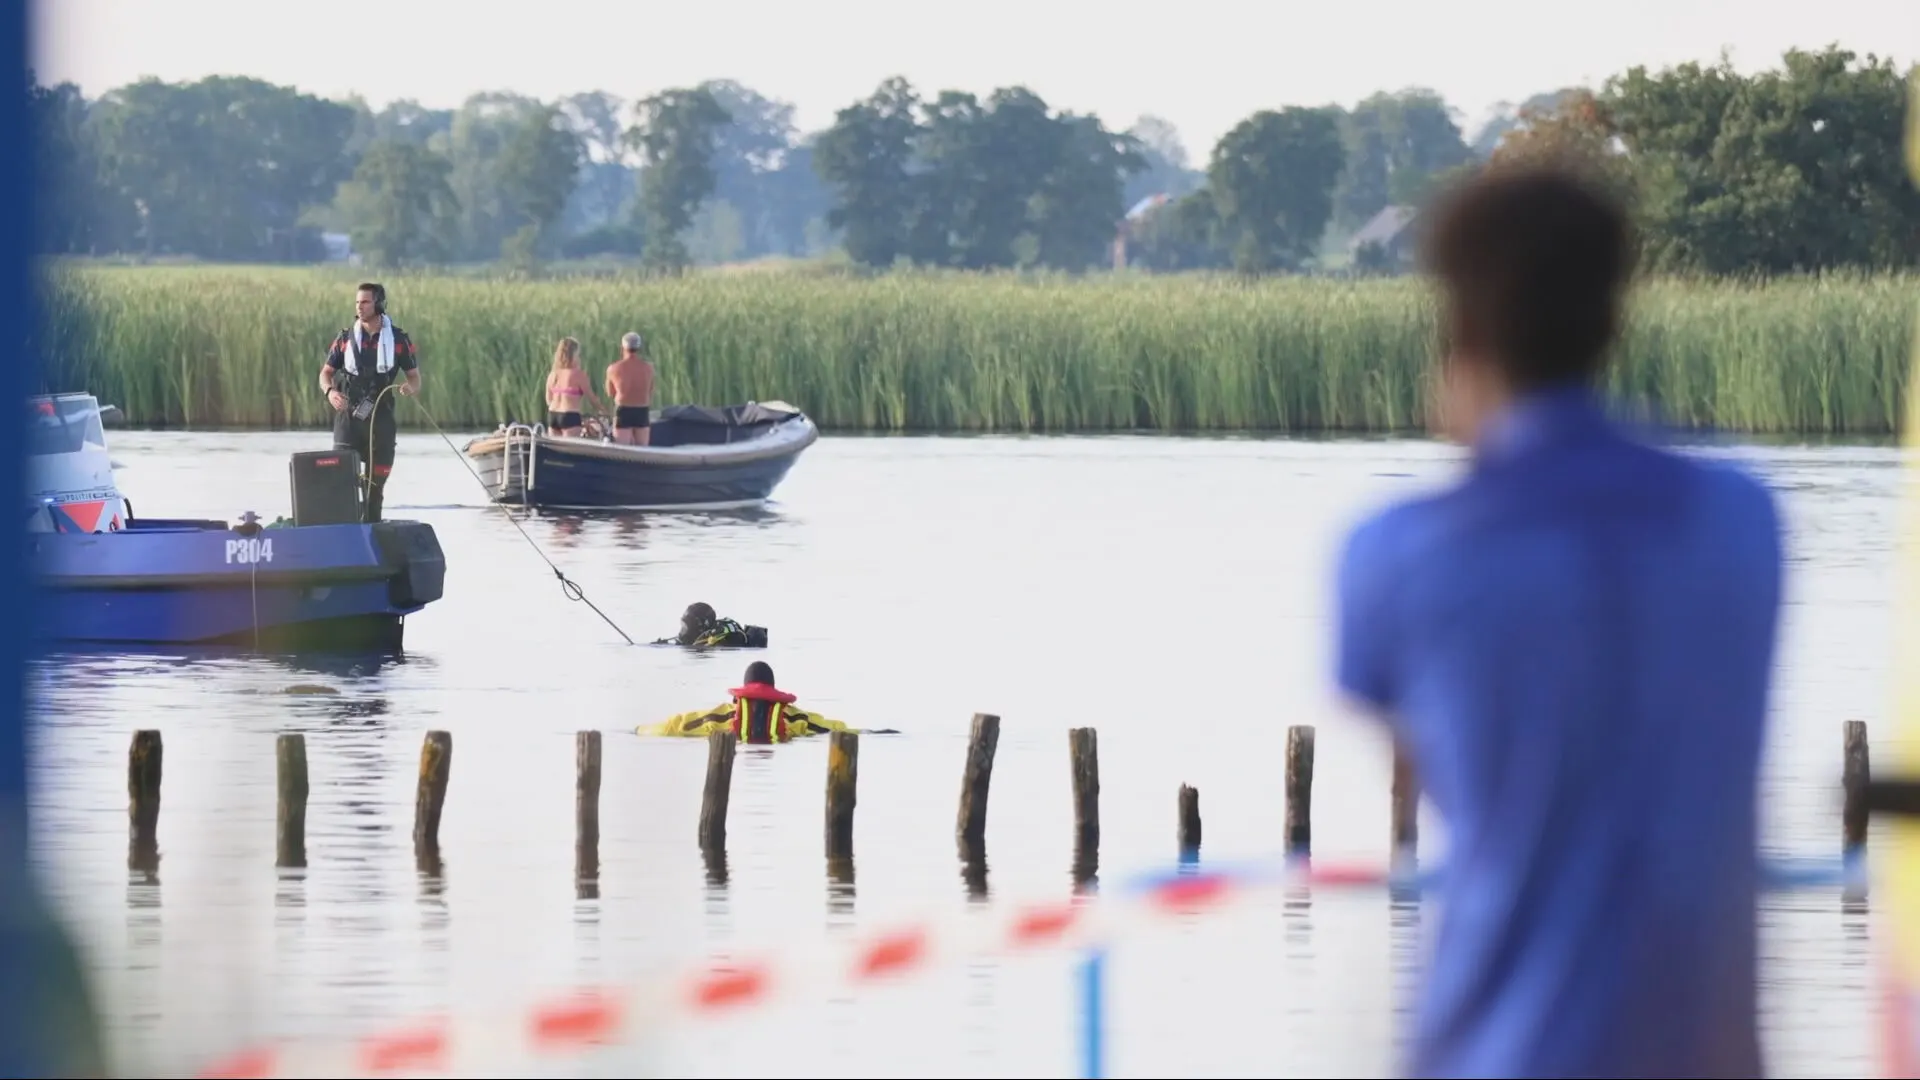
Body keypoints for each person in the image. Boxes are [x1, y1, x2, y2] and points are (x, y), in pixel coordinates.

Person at [1331, 162, 1782, 1078]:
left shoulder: (1400, 553)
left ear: (1457, 323)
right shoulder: (1740, 520)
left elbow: (1442, 760)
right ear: (1615, 315)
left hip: (1498, 1048)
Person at [319, 282, 420, 522]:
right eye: (357, 302)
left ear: (379, 304)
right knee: (341, 482)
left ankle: (372, 531)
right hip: (349, 418)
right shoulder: (345, 338)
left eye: (365, 302)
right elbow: (325, 374)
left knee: (374, 489)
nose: (359, 307)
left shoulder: (398, 339)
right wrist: (330, 392)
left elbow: (415, 378)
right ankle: (345, 532)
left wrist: (410, 388)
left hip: (380, 418)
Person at [638, 661, 874, 744]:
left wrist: (640, 730)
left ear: (739, 695)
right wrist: (871, 732)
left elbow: (678, 724)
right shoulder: (794, 717)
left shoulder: (721, 716)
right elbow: (830, 727)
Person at [544, 337, 607, 437]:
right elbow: (592, 399)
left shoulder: (553, 374)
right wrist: (604, 411)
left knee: (555, 450)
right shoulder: (578, 375)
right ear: (573, 355)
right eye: (578, 355)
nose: (579, 358)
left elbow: (548, 400)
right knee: (569, 450)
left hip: (553, 415)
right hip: (569, 416)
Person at [604, 330, 656, 446]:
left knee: (622, 451)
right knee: (642, 450)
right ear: (638, 348)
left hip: (623, 410)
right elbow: (650, 390)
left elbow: (610, 393)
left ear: (622, 347)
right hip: (642, 409)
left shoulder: (614, 368)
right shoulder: (648, 368)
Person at [652, 601, 768, 648]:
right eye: (683, 626)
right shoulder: (701, 638)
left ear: (700, 626)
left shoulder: (719, 641)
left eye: (686, 627)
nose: (682, 632)